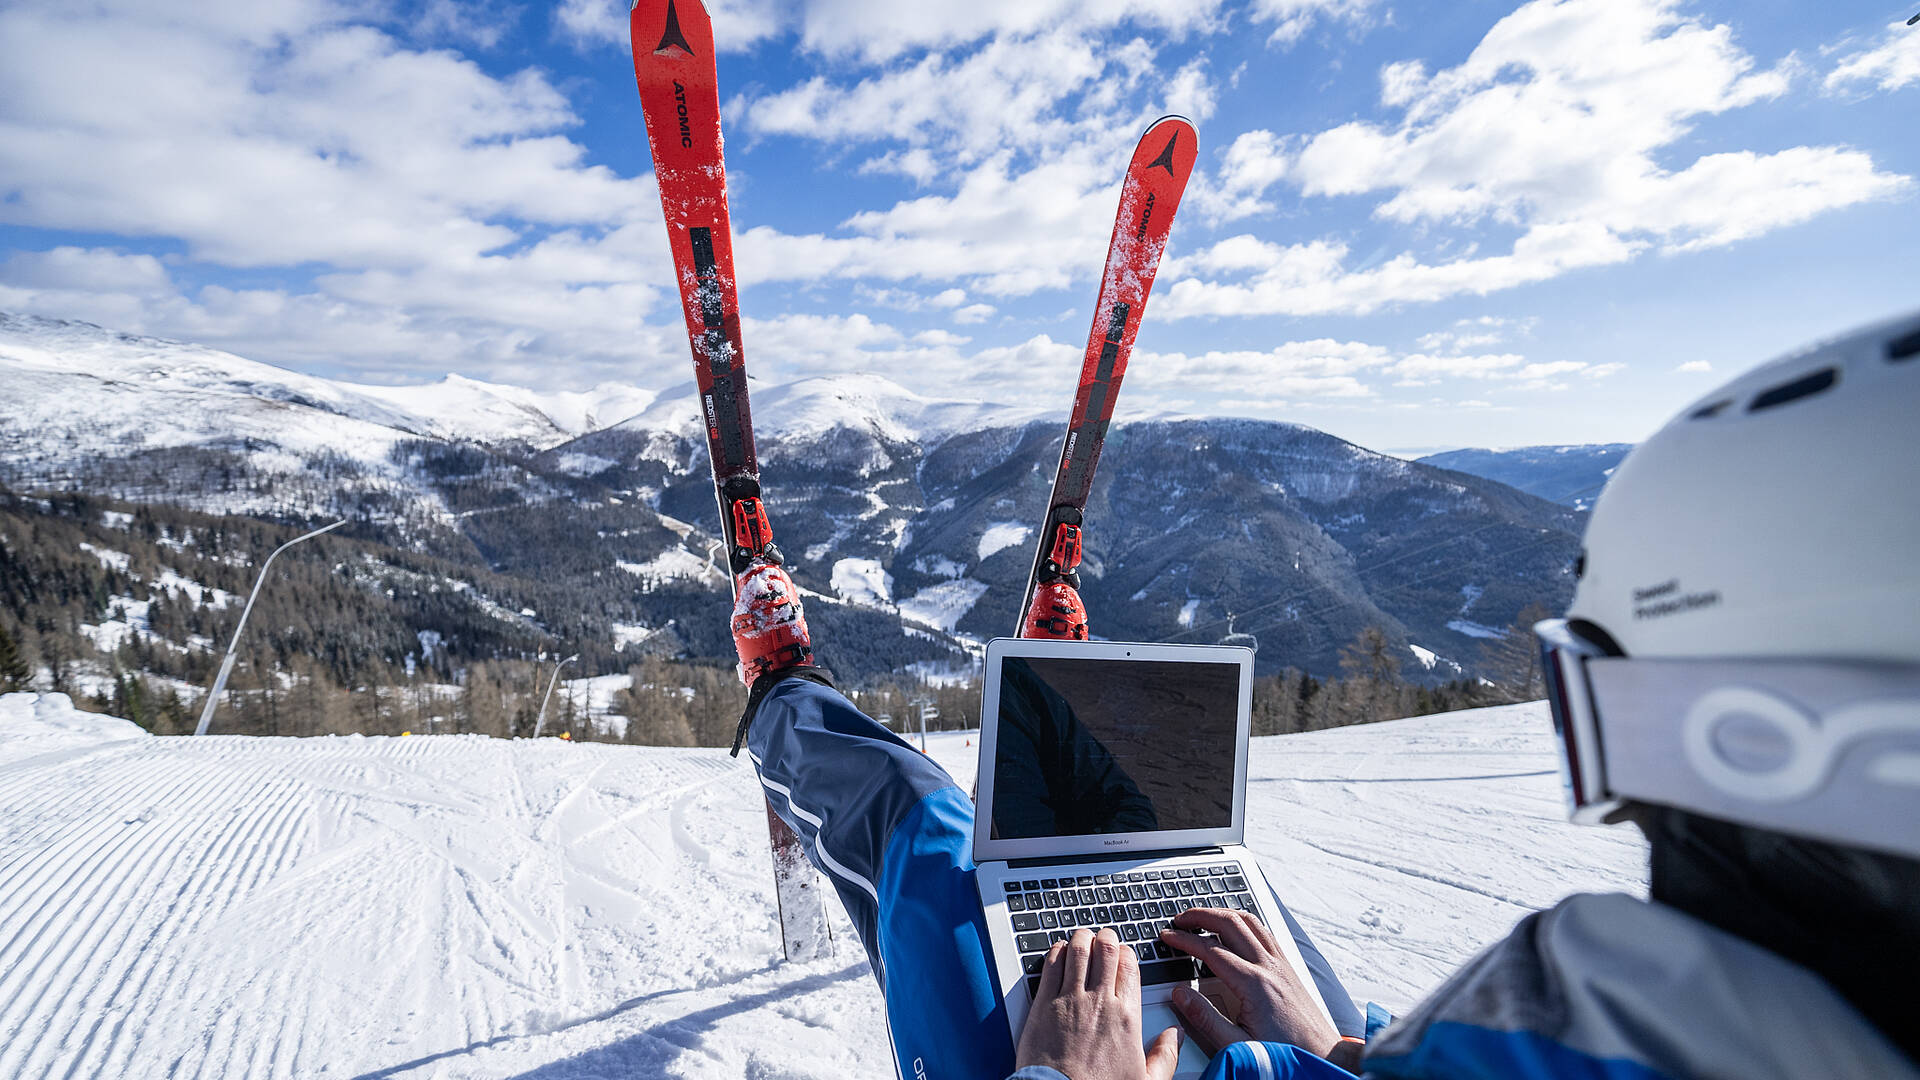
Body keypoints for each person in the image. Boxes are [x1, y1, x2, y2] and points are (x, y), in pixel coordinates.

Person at [729, 308, 1920, 1079]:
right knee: (1174, 861)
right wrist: (1342, 1057)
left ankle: (787, 688)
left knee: (922, 818)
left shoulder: (1623, 1020)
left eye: (1589, 701)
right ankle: (1054, 700)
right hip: (1307, 1056)